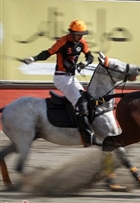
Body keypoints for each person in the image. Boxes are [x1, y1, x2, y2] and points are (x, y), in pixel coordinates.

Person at [23, 19, 96, 147]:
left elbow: (90, 56)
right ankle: (86, 136)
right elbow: (47, 53)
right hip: (61, 78)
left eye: (82, 34)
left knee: (86, 99)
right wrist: (33, 58)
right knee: (80, 104)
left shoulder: (82, 42)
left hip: (72, 78)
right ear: (71, 33)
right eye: (78, 34)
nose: (81, 37)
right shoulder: (62, 42)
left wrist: (85, 63)